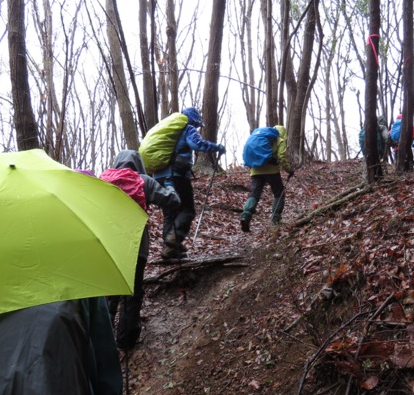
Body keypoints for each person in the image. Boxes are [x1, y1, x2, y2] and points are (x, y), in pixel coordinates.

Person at [102, 150, 180, 350]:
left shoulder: (103, 180)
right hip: (136, 245)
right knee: (133, 292)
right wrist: (170, 186)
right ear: (138, 163)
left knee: (109, 290)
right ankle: (126, 341)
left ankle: (103, 339)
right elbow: (173, 201)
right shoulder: (143, 181)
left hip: (107, 245)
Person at [150, 107, 225, 260]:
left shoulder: (168, 131)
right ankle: (174, 240)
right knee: (188, 210)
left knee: (170, 212)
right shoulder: (187, 128)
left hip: (159, 176)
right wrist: (218, 147)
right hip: (176, 176)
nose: (197, 128)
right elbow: (197, 144)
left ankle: (169, 250)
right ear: (193, 120)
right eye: (197, 124)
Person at [240, 125, 293, 232]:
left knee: (254, 194)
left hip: (255, 170)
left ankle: (245, 215)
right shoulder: (279, 139)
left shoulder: (262, 136)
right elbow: (282, 157)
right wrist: (289, 170)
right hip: (271, 171)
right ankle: (276, 218)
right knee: (279, 192)